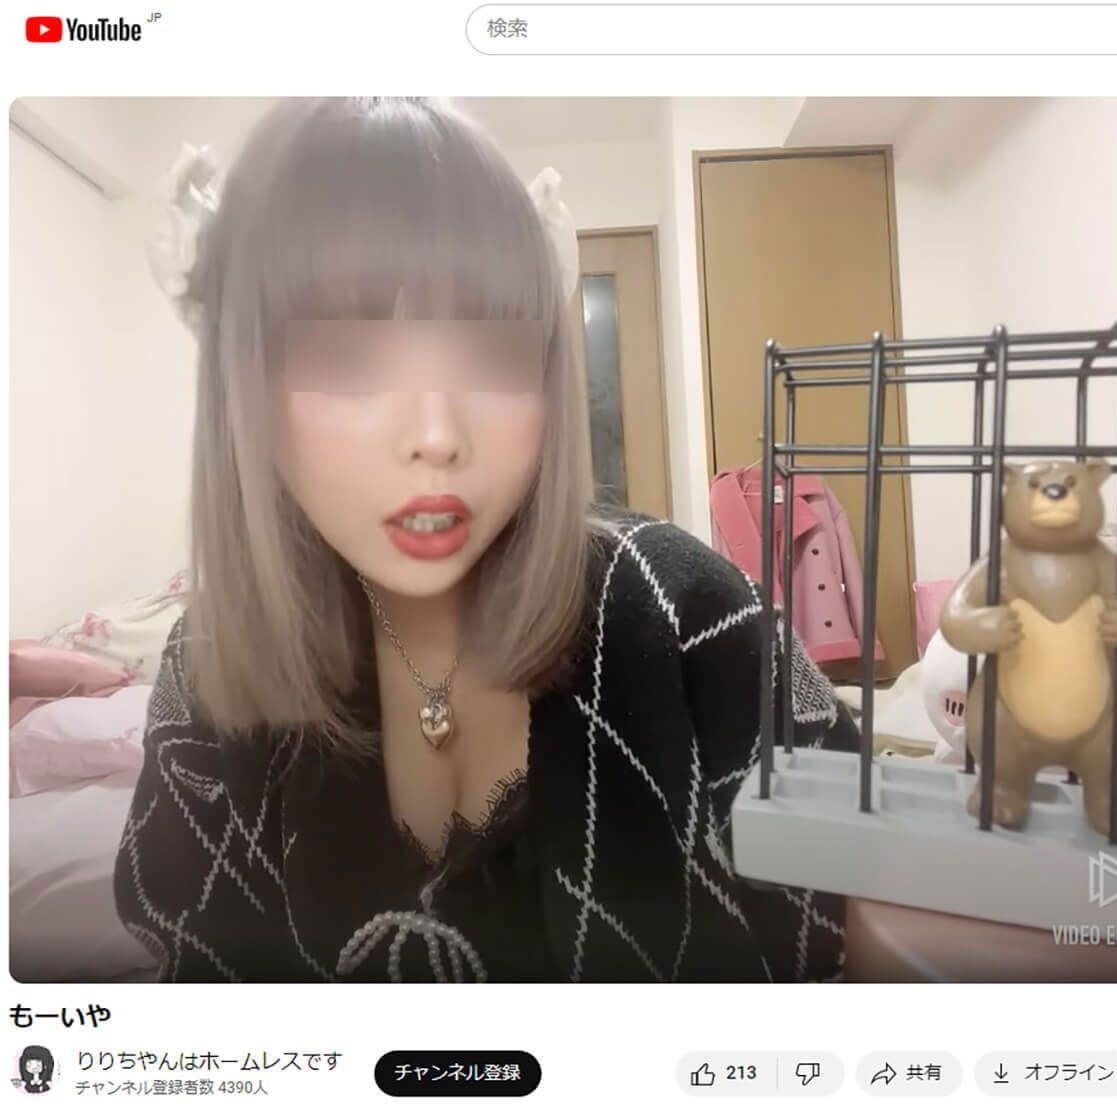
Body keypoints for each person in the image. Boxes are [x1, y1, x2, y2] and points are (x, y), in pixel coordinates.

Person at [113, 96, 861, 984]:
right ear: (248, 394)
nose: (437, 436)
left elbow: (857, 926)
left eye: (493, 359)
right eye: (351, 364)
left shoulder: (690, 611)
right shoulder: (206, 678)